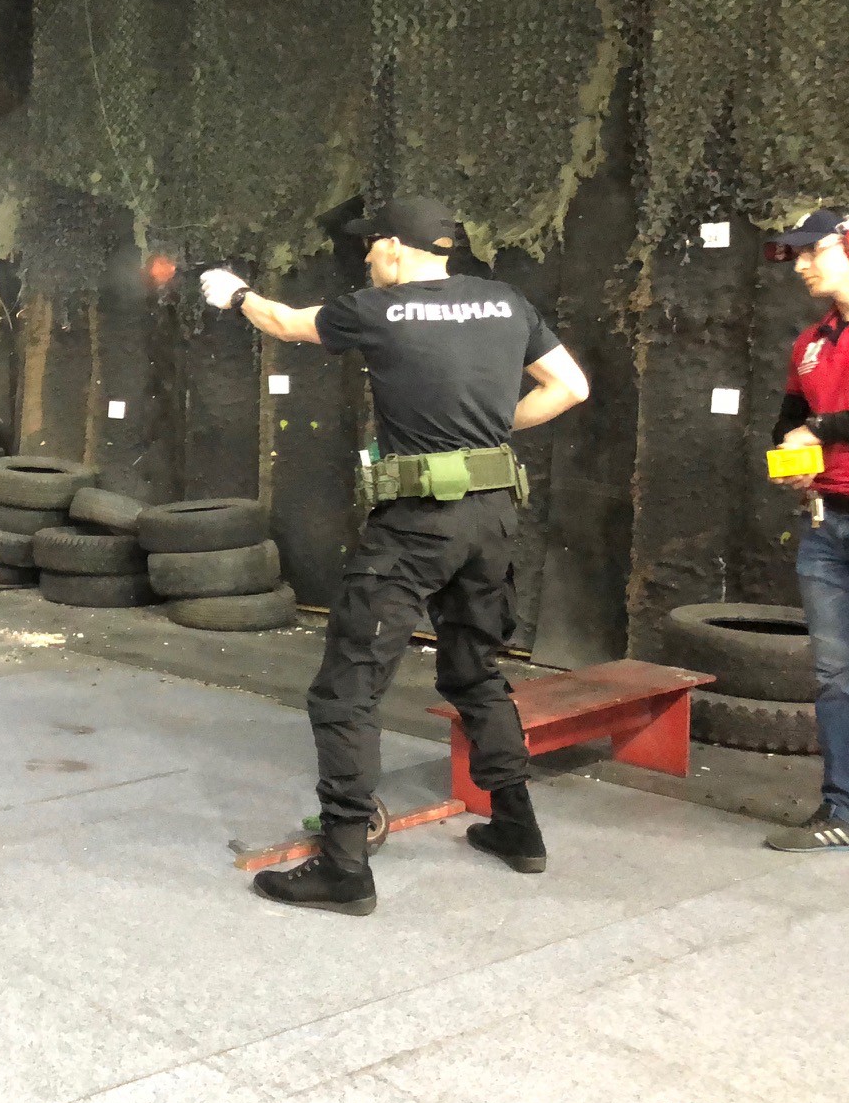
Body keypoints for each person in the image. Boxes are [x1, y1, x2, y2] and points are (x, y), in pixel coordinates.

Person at [199, 195, 590, 915]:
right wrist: (488, 430)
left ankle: (345, 866)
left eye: (370, 245)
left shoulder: (376, 309)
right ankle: (517, 828)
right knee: (476, 671)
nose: (366, 258)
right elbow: (571, 386)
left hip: (416, 524)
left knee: (347, 687)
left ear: (394, 246)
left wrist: (236, 294)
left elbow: (285, 323)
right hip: (492, 517)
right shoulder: (507, 302)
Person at [759, 209, 849, 852]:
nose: (799, 266)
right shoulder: (810, 343)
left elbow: (813, 425)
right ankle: (845, 811)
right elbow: (786, 422)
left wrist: (819, 431)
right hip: (828, 526)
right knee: (836, 676)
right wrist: (790, 460)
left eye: (810, 252)